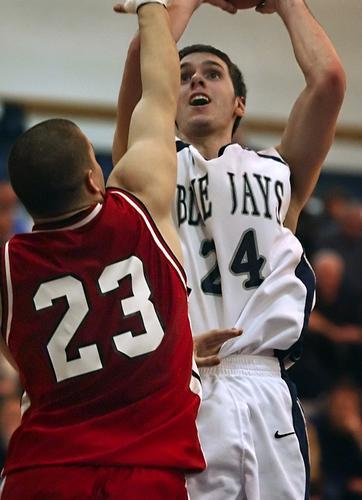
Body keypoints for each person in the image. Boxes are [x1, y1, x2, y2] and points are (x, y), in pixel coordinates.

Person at [113, 0, 346, 498]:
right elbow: (142, 57)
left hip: (265, 380)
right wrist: (189, 0)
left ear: (239, 103)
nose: (196, 82)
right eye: (183, 75)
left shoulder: (280, 169)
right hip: (185, 379)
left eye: (212, 73)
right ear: (167, 99)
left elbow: (328, 82)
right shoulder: (148, 170)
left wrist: (287, 4)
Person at [0, 1, 206, 498]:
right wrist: (150, 8)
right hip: (144, 470)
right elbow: (160, 95)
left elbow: (19, 358)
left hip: (40, 474)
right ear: (95, 176)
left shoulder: (8, 267)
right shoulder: (138, 202)